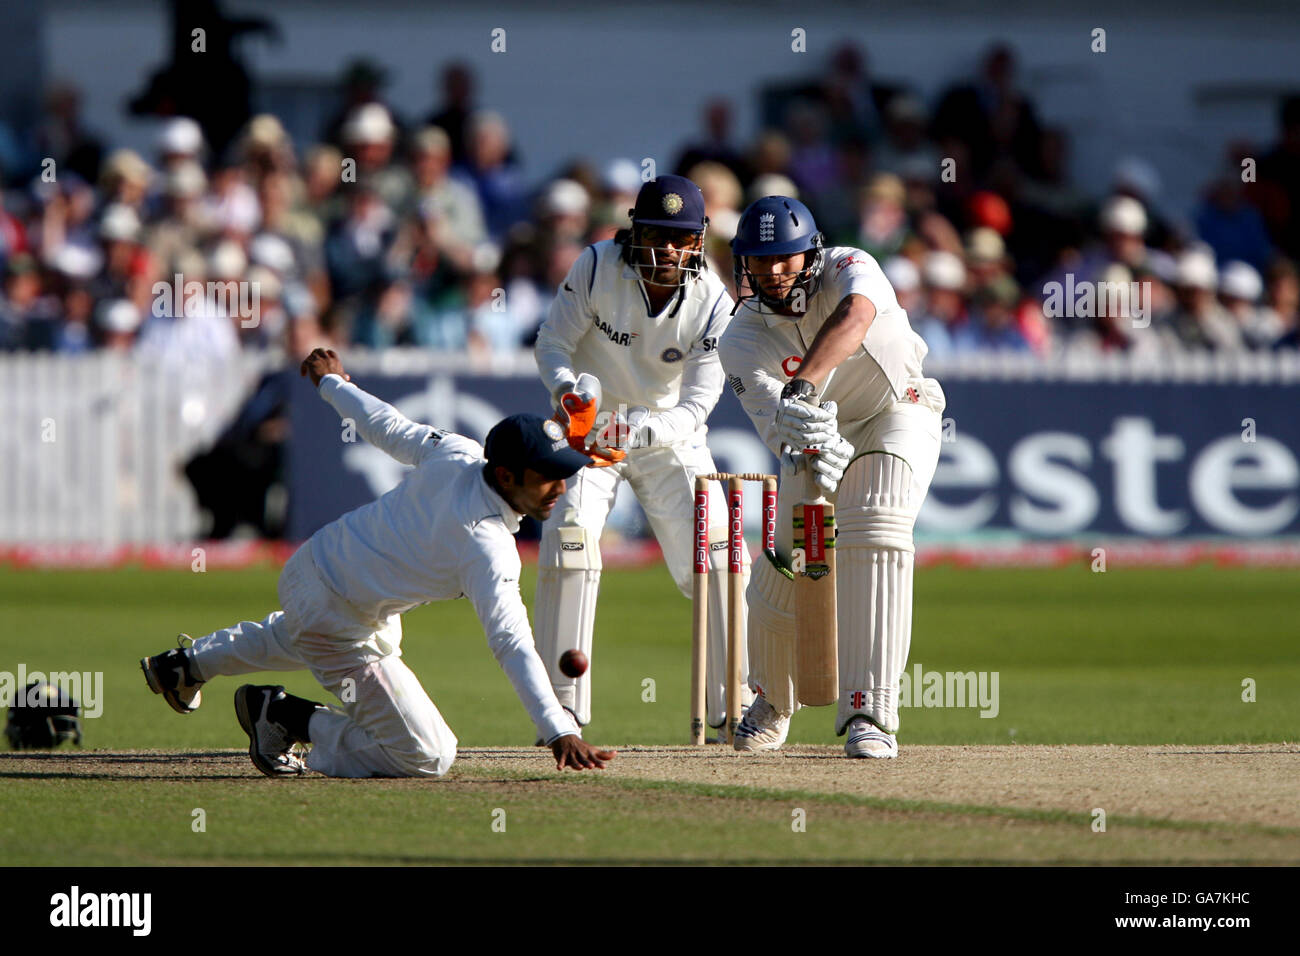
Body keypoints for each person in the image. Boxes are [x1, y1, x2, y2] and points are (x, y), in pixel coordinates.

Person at [140, 348, 615, 778]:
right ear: (507, 475)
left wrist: (334, 384)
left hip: (316, 571)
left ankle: (185, 666)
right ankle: (284, 717)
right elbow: (510, 641)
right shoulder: (486, 544)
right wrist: (557, 728)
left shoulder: (458, 452)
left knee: (305, 635)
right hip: (337, 614)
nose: (561, 488)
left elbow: (387, 426)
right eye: (549, 477)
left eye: (565, 474)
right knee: (427, 754)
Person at [719, 196, 945, 759]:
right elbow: (778, 426)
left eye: (786, 258)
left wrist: (806, 385)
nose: (772, 272)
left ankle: (871, 711)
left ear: (810, 253)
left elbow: (856, 318)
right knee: (784, 558)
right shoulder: (740, 340)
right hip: (814, 437)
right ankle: (772, 697)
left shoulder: (851, 264)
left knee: (875, 527)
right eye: (759, 260)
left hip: (897, 410)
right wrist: (815, 442)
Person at [532, 175, 748, 737]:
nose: (667, 250)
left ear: (698, 240)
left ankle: (735, 704)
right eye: (656, 233)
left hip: (665, 431)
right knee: (570, 541)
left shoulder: (712, 301)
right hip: (589, 426)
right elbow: (552, 343)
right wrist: (568, 394)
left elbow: (700, 401)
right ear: (635, 230)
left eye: (680, 237)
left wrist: (648, 432)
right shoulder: (598, 265)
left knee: (720, 555)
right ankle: (562, 708)